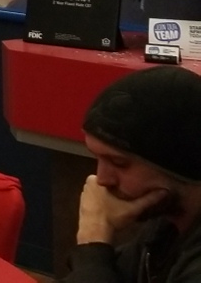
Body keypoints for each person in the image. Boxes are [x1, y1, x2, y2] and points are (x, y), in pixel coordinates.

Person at [70, 66, 201, 282]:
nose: (101, 179)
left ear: (181, 167)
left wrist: (93, 241)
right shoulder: (166, 226)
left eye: (119, 163)